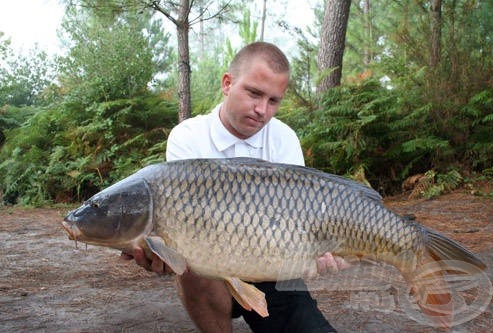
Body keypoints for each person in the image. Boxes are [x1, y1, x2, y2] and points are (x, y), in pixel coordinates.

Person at [122, 42, 349, 332]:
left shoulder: (284, 138)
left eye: (273, 101)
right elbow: (180, 227)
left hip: (271, 271)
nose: (262, 110)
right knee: (192, 262)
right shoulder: (188, 137)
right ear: (227, 84)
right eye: (254, 93)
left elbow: (301, 220)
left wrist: (316, 253)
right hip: (211, 274)